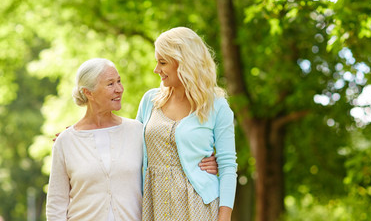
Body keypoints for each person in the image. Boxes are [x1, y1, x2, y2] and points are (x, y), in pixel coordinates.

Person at [46, 58, 218, 221]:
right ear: (88, 93)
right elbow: (56, 205)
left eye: (119, 81)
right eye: (110, 84)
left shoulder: (136, 131)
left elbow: (170, 158)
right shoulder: (66, 142)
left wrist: (203, 162)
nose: (119, 89)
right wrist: (72, 138)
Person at [136, 27, 237, 221]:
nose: (157, 69)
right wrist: (80, 133)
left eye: (163, 62)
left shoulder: (217, 106)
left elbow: (228, 168)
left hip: (199, 208)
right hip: (153, 206)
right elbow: (126, 144)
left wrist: (224, 218)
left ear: (184, 63)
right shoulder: (150, 101)